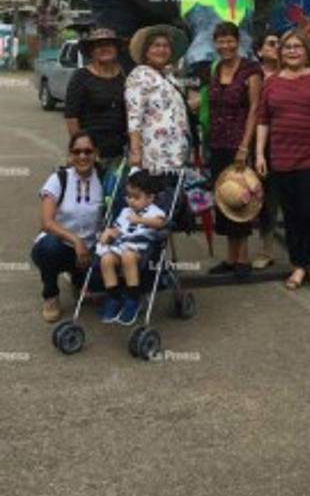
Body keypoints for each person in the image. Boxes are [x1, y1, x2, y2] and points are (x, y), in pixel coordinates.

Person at [256, 29, 310, 293]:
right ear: (280, 53)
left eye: (297, 46)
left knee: (308, 210)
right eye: (287, 47)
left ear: (307, 51)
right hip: (281, 157)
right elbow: (263, 119)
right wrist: (259, 153)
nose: (292, 51)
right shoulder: (271, 82)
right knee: (291, 213)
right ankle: (298, 265)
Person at [31, 132, 105, 322]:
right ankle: (51, 295)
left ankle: (79, 281)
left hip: (90, 250)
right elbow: (46, 223)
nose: (82, 156)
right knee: (48, 248)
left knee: (103, 285)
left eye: (88, 151)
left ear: (96, 153)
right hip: (61, 246)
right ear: (70, 155)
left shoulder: (104, 178)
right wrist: (76, 240)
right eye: (77, 151)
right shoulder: (59, 178)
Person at [208, 22, 262, 279]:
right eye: (221, 41)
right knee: (224, 199)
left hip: (238, 144)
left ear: (238, 42)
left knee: (242, 198)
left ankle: (243, 259)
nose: (225, 46)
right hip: (217, 143)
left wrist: (244, 145)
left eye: (230, 40)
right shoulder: (216, 69)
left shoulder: (251, 70)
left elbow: (255, 109)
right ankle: (230, 258)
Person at [125, 24, 191, 199]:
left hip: (175, 156)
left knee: (171, 204)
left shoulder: (169, 77)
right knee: (153, 204)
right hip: (154, 158)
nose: (161, 50)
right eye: (156, 45)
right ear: (146, 51)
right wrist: (136, 152)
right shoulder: (140, 75)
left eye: (165, 46)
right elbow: (134, 116)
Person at [96, 169, 166, 325]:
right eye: (128, 196)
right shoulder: (125, 211)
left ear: (150, 198)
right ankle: (114, 296)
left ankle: (133, 298)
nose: (131, 201)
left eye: (136, 197)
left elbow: (161, 223)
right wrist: (110, 233)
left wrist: (141, 220)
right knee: (106, 259)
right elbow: (119, 229)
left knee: (128, 256)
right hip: (121, 246)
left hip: (141, 250)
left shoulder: (154, 211)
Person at [65, 28, 127, 165]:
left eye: (109, 45)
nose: (104, 49)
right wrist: (82, 150)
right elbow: (71, 117)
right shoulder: (80, 77)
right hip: (90, 152)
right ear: (91, 51)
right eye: (98, 46)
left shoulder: (124, 76)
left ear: (116, 49)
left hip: (119, 152)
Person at [252, 31, 280, 270]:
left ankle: (309, 250)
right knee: (263, 197)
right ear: (259, 51)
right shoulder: (251, 75)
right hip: (257, 145)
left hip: (288, 144)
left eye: (280, 43)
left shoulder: (293, 74)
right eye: (271, 43)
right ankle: (265, 248)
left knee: (295, 198)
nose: (277, 47)